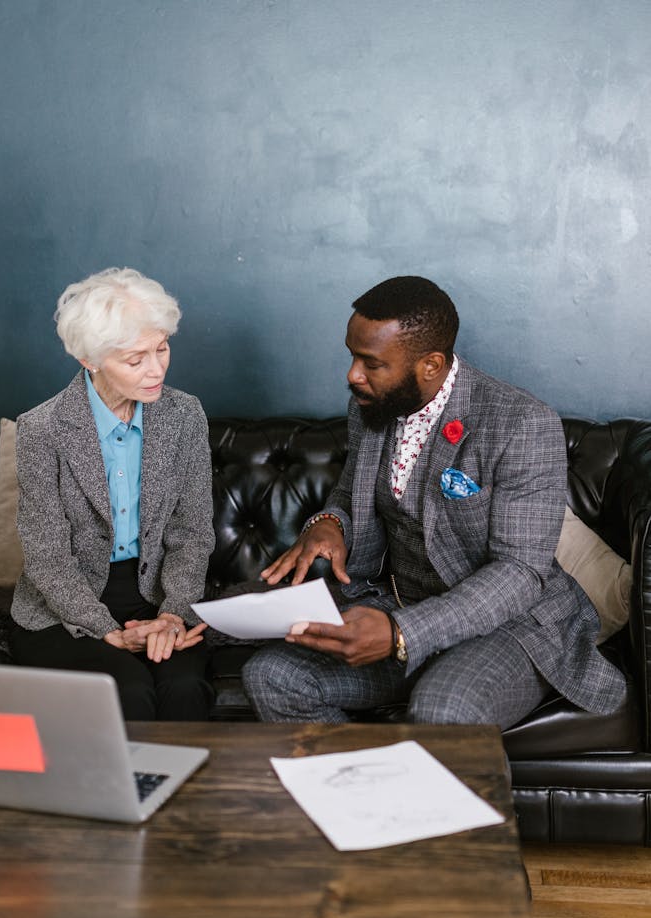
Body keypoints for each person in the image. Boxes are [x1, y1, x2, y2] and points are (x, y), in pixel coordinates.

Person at [243, 276, 627, 726]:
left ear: (431, 364)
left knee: (442, 709)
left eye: (371, 362)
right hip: (403, 602)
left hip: (510, 625)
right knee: (272, 676)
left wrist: (402, 632)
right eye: (352, 356)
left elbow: (520, 572)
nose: (353, 375)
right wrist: (329, 521)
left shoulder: (521, 423)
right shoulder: (371, 407)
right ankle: (355, 793)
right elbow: (350, 494)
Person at [10, 267, 215, 721]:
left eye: (161, 349)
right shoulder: (41, 429)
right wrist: (107, 630)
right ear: (91, 359)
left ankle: (186, 794)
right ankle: (130, 794)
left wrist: (172, 615)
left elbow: (193, 532)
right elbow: (47, 556)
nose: (156, 368)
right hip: (67, 602)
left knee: (184, 688)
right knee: (127, 688)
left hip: (158, 593)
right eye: (135, 359)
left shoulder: (185, 415)